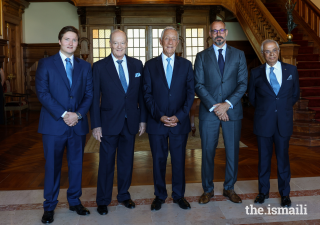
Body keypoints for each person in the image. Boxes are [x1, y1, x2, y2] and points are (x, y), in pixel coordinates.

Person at [35, 26, 93, 224]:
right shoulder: (45, 64)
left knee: (76, 165)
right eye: (67, 39)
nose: (70, 43)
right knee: (52, 166)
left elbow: (89, 95)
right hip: (53, 125)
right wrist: (63, 114)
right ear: (59, 41)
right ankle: (49, 206)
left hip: (77, 125)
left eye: (74, 40)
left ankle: (74, 201)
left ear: (78, 43)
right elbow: (42, 94)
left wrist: (76, 115)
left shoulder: (85, 66)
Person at [90, 29, 147, 215]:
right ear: (110, 44)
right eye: (115, 43)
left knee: (126, 161)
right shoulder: (99, 67)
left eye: (122, 42)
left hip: (130, 122)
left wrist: (142, 120)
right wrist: (96, 124)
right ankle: (103, 200)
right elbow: (94, 98)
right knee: (106, 162)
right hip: (107, 123)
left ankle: (123, 195)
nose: (119, 46)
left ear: (127, 43)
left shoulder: (137, 65)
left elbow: (141, 95)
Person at [194, 20, 248, 204]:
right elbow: (198, 85)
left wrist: (227, 104)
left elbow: (243, 84)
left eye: (221, 30)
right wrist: (217, 107)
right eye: (214, 31)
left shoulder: (239, 55)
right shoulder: (201, 56)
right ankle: (207, 190)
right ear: (210, 34)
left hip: (232, 111)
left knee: (232, 151)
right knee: (208, 151)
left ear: (226, 32)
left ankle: (229, 188)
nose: (218, 34)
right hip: (209, 112)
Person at [143, 27, 194, 211]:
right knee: (158, 160)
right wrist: (160, 116)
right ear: (160, 41)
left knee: (179, 161)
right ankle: (160, 195)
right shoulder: (149, 65)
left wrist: (179, 117)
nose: (170, 42)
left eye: (174, 39)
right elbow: (146, 95)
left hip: (179, 123)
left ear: (178, 42)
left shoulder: (187, 65)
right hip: (157, 122)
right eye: (167, 38)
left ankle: (179, 195)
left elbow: (190, 95)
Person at [248, 39, 300, 207]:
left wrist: (281, 108)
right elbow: (252, 98)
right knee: (263, 160)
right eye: (267, 51)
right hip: (264, 122)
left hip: (283, 123)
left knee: (283, 160)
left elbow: (295, 95)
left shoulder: (291, 70)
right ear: (263, 54)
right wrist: (268, 110)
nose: (271, 54)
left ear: (278, 52)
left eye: (274, 50)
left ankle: (285, 194)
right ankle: (263, 192)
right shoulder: (256, 72)